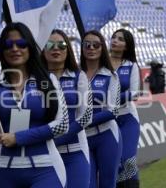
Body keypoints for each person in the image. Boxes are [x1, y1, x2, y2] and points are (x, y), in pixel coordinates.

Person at [0, 22, 69, 188]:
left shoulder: (48, 81)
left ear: (29, 47)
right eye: (9, 44)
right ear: (2, 50)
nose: (15, 48)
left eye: (21, 44)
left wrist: (18, 138)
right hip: (5, 171)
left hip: (45, 169)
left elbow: (62, 125)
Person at [41, 29, 93, 188]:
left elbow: (86, 117)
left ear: (68, 49)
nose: (56, 48)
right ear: (43, 50)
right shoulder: (34, 80)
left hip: (74, 152)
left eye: (61, 45)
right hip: (44, 156)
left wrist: (56, 139)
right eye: (50, 44)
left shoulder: (79, 76)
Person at [80, 30, 122, 188]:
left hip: (107, 137)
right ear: (82, 48)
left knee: (107, 184)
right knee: (87, 184)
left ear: (101, 48)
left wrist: (81, 122)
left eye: (95, 45)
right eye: (87, 44)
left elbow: (113, 111)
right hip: (82, 139)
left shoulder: (111, 76)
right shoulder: (74, 75)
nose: (91, 48)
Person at [110, 29, 141, 188]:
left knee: (127, 159)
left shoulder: (131, 65)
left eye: (120, 39)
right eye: (114, 37)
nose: (115, 40)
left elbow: (135, 93)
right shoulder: (102, 64)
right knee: (113, 163)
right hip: (107, 121)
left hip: (128, 119)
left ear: (127, 46)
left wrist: (110, 100)